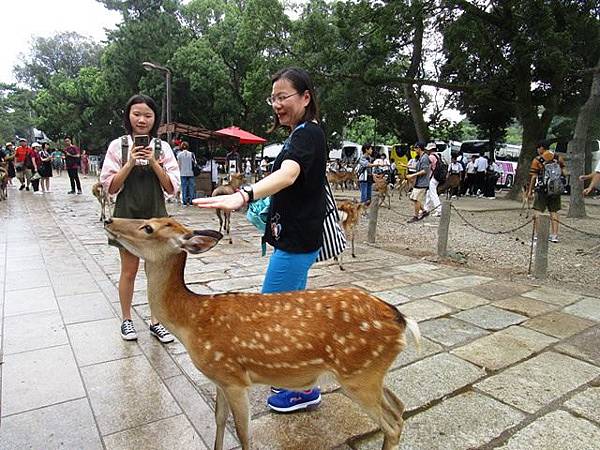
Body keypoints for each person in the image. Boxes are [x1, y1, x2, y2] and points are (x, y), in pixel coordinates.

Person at [194, 67, 326, 413]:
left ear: (305, 97)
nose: (277, 104)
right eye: (274, 98)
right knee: (291, 313)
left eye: (284, 97)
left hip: (296, 243)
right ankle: (300, 380)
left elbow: (290, 173)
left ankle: (301, 388)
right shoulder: (303, 133)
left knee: (271, 314)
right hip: (298, 239)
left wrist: (244, 195)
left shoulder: (306, 136)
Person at [100, 94, 180, 343]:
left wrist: (155, 162)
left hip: (156, 217)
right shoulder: (118, 146)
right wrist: (131, 162)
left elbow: (171, 188)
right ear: (128, 116)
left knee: (156, 271)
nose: (142, 119)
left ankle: (156, 321)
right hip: (127, 217)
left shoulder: (163, 148)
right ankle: (127, 320)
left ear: (155, 118)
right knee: (129, 271)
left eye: (147, 115)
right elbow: (110, 188)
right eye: (137, 114)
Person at [527, 140, 564, 243]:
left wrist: (530, 191)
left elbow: (534, 177)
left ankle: (539, 234)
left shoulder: (537, 160)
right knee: (554, 211)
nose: (538, 150)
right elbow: (564, 172)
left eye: (538, 148)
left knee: (538, 211)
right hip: (555, 189)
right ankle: (555, 235)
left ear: (542, 148)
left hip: (542, 189)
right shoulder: (558, 158)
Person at [406, 142, 430, 222]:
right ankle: (424, 211)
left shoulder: (425, 158)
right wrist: (405, 166)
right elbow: (417, 167)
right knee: (412, 198)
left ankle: (416, 217)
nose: (415, 150)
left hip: (422, 183)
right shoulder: (421, 157)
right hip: (418, 182)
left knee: (416, 199)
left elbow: (425, 170)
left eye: (415, 148)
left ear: (419, 148)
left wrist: (412, 175)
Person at [423, 143, 441, 217]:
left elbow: (427, 168)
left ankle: (439, 210)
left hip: (432, 177)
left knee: (433, 194)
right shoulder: (438, 156)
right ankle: (426, 209)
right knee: (429, 194)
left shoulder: (430, 157)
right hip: (437, 177)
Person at [177, 141, 195, 207]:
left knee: (184, 188)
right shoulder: (191, 154)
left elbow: (178, 165)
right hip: (191, 173)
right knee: (191, 188)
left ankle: (184, 202)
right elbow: (194, 163)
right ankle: (191, 202)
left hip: (182, 173)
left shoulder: (179, 154)